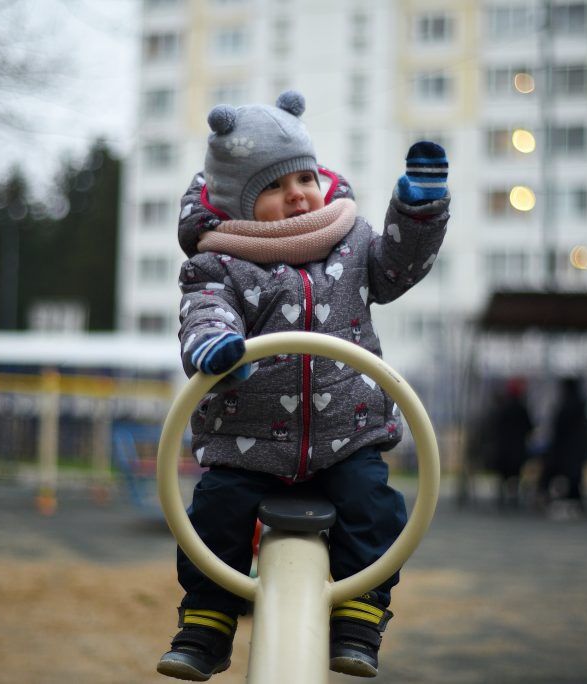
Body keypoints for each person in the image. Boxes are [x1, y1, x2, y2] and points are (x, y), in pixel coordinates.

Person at [157, 91, 450, 681]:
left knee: (374, 506)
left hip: (347, 437)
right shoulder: (220, 262)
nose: (297, 194)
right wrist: (217, 350)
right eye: (274, 187)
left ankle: (361, 615)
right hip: (247, 444)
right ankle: (207, 624)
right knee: (215, 514)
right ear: (239, 202)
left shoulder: (351, 240)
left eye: (305, 176)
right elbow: (206, 312)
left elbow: (398, 267)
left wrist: (417, 213)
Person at [538, 376, 587, 518]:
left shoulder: (566, 407)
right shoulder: (581, 408)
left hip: (565, 451)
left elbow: (558, 429)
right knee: (574, 479)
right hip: (576, 451)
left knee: (552, 475)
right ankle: (575, 505)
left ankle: (551, 500)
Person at [490, 377, 533, 509]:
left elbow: (495, 428)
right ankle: (514, 499)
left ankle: (502, 499)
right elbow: (529, 427)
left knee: (503, 477)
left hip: (503, 450)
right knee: (516, 476)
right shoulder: (522, 409)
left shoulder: (502, 409)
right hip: (517, 450)